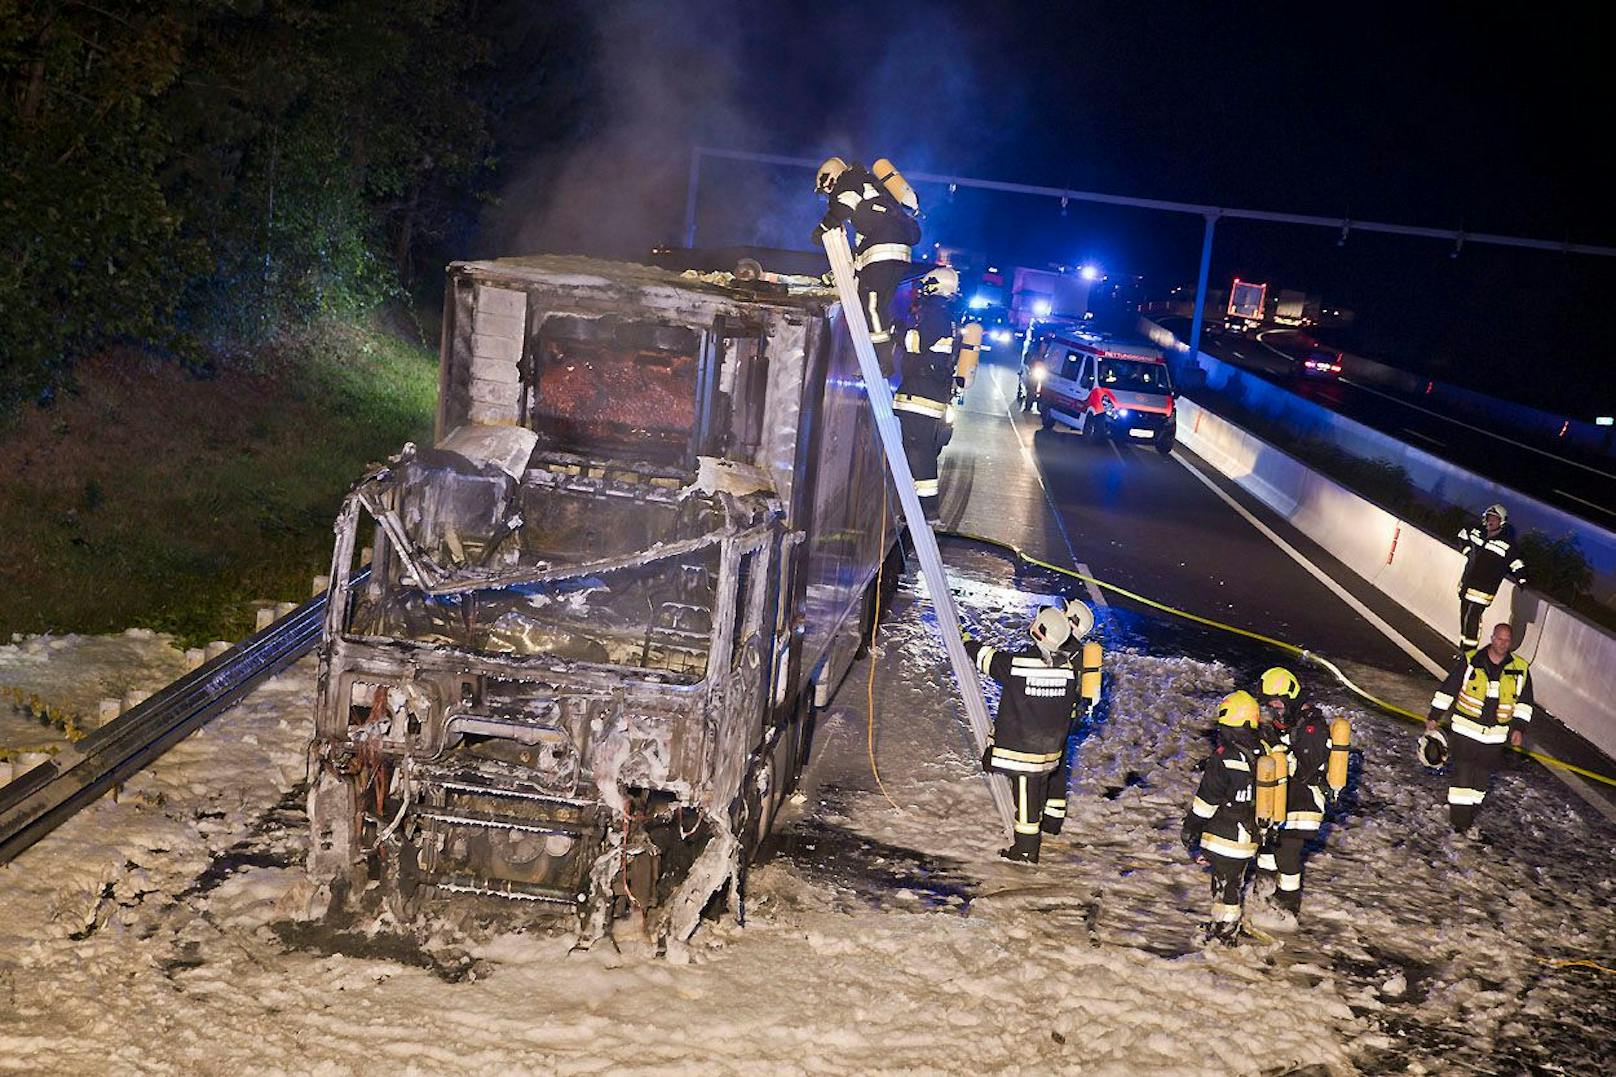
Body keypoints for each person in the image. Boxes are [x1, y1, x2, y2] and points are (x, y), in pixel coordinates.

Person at [963, 607, 1084, 863]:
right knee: (1037, 790)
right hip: (1050, 750)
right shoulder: (1067, 671)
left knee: (1026, 800)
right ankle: (1039, 828)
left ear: (1038, 632)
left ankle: (1027, 849)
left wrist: (966, 640)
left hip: (1023, 751)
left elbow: (988, 659)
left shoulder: (1018, 665)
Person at [811, 156, 921, 377]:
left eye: (825, 191)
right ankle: (884, 350)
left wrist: (821, 230)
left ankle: (882, 362)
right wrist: (840, 273)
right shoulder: (869, 187)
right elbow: (863, 249)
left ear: (829, 179)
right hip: (896, 252)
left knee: (871, 304)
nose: (827, 197)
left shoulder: (847, 183)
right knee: (878, 305)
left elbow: (840, 209)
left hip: (884, 249)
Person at [1427, 622, 1534, 839]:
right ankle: (1460, 825)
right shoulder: (1471, 661)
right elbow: (1449, 688)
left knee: (1481, 782)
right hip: (1466, 731)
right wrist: (1434, 716)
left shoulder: (1520, 669)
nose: (1502, 644)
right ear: (1492, 638)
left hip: (1494, 737)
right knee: (1463, 779)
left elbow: (1524, 704)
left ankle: (1468, 818)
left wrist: (1519, 729)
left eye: (1507, 640)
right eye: (1499, 639)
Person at [1251, 667, 1332, 921]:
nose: (1274, 710)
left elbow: (1304, 768)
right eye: (1269, 705)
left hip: (1303, 804)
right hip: (1280, 801)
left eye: (1277, 704)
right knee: (1265, 849)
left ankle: (1287, 906)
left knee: (1287, 854)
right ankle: (1261, 897)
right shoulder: (1287, 724)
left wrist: (1276, 747)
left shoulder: (1312, 727)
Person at [1182, 690, 1262, 944]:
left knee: (1227, 886)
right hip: (1251, 832)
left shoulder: (1224, 756)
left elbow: (1208, 799)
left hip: (1225, 832)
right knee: (1231, 881)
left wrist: (1191, 828)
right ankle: (1222, 923)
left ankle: (1225, 933)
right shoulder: (1263, 751)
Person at [890, 266, 960, 522]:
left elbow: (917, 344)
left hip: (921, 398)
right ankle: (921, 510)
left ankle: (925, 510)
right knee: (921, 453)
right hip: (928, 397)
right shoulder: (944, 315)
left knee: (919, 454)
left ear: (934, 286)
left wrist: (894, 332)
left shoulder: (935, 315)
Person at [1040, 598, 1103, 836]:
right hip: (1069, 718)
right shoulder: (1082, 653)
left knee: (1048, 766)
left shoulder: (1065, 651)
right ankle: (1053, 819)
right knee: (1058, 765)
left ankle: (1044, 816)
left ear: (1071, 620)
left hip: (1055, 717)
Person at [1456, 504, 1527, 650]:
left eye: (1495, 519)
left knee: (1472, 619)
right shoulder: (1477, 532)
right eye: (1489, 517)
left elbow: (1516, 562)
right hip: (1467, 585)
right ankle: (1463, 650)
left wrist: (1521, 578)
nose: (1490, 521)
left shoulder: (1507, 544)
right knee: (1464, 617)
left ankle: (1469, 654)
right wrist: (1467, 550)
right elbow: (1462, 535)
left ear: (1501, 522)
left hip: (1483, 591)